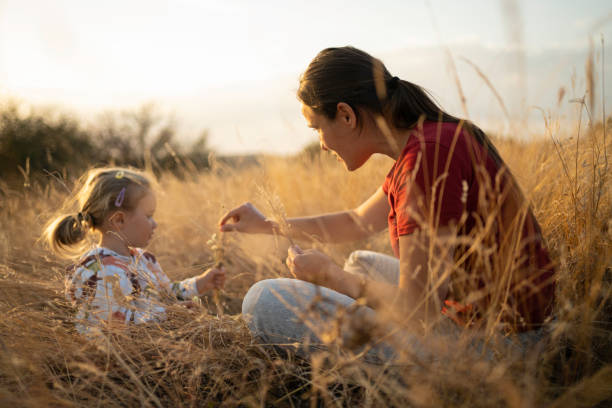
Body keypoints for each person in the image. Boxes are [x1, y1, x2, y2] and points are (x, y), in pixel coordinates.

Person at [220, 46, 556, 360]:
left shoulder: (427, 159)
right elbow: (356, 221)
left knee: (261, 300)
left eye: (317, 129)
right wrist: (267, 226)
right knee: (361, 262)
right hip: (474, 316)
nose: (321, 145)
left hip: (499, 347)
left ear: (346, 115)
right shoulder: (429, 142)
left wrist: (331, 277)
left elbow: (420, 308)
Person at [44, 167, 226, 336]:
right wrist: (168, 315)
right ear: (119, 221)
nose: (155, 224)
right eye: (148, 216)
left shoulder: (144, 259)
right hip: (116, 363)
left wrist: (200, 283)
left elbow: (166, 294)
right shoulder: (99, 271)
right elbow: (112, 325)